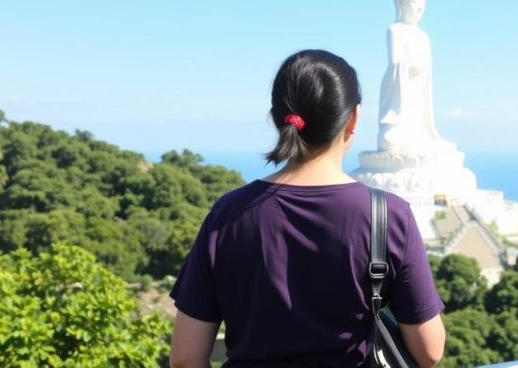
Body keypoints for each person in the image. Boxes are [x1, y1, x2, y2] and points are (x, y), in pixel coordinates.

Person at [169, 49, 445, 368]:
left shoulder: (228, 213)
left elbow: (186, 359)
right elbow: (429, 351)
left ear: (277, 117)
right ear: (353, 118)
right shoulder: (388, 216)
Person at [377, 0, 454, 154]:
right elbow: (396, 62)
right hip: (400, 93)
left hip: (418, 91)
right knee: (389, 143)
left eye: (423, 4)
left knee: (426, 136)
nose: (420, 8)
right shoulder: (395, 30)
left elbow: (427, 74)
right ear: (400, 2)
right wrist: (411, 66)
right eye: (415, 2)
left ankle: (423, 135)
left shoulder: (423, 36)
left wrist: (420, 68)